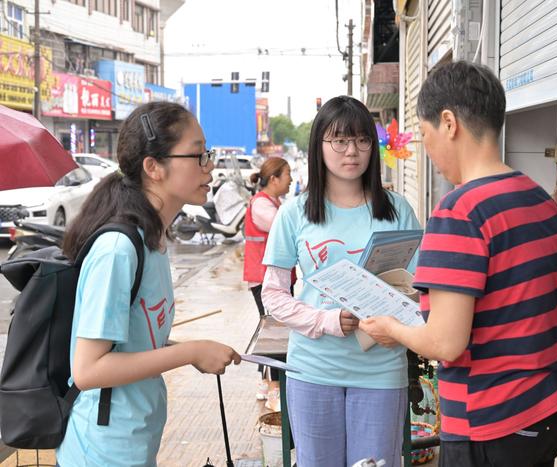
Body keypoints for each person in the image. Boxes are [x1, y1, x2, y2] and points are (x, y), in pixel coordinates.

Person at [360, 61, 557, 467]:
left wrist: (391, 328)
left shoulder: (460, 210)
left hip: (494, 419)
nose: (427, 152)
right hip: (551, 407)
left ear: (448, 123)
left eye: (425, 135)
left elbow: (446, 344)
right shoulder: (538, 197)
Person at [57, 101, 241, 466]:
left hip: (134, 444)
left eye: (209, 153)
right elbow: (88, 370)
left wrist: (195, 351)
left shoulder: (153, 240)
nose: (210, 165)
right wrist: (190, 352)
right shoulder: (118, 251)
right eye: (198, 155)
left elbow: (135, 340)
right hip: (100, 453)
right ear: (153, 167)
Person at [261, 96, 421, 467]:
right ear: (319, 145)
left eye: (362, 140)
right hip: (313, 368)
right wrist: (326, 321)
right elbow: (273, 294)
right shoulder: (294, 213)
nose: (352, 151)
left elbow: (420, 288)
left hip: (381, 368)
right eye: (339, 141)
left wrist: (399, 319)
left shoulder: (398, 210)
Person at [243, 156, 293, 409]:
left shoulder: (272, 202)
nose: (291, 180)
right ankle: (273, 386)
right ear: (273, 179)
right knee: (274, 332)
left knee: (270, 328)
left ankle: (265, 381)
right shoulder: (263, 206)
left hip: (267, 275)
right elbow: (285, 228)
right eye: (287, 175)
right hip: (265, 277)